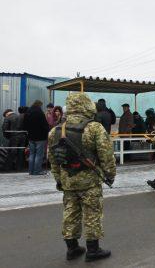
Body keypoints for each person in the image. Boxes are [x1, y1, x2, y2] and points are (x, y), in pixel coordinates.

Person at [48, 92, 116, 262]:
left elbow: (53, 160)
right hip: (90, 180)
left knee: (70, 212)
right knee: (92, 213)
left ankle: (72, 248)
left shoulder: (56, 130)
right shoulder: (94, 128)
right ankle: (93, 250)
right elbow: (106, 155)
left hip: (68, 180)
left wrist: (58, 179)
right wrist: (110, 175)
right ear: (87, 105)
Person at [23, 100, 50, 175]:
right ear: (39, 105)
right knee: (39, 154)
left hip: (31, 136)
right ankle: (37, 171)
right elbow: (44, 125)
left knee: (32, 154)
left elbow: (24, 124)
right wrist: (48, 130)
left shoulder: (28, 112)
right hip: (40, 137)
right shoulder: (40, 113)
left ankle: (31, 171)